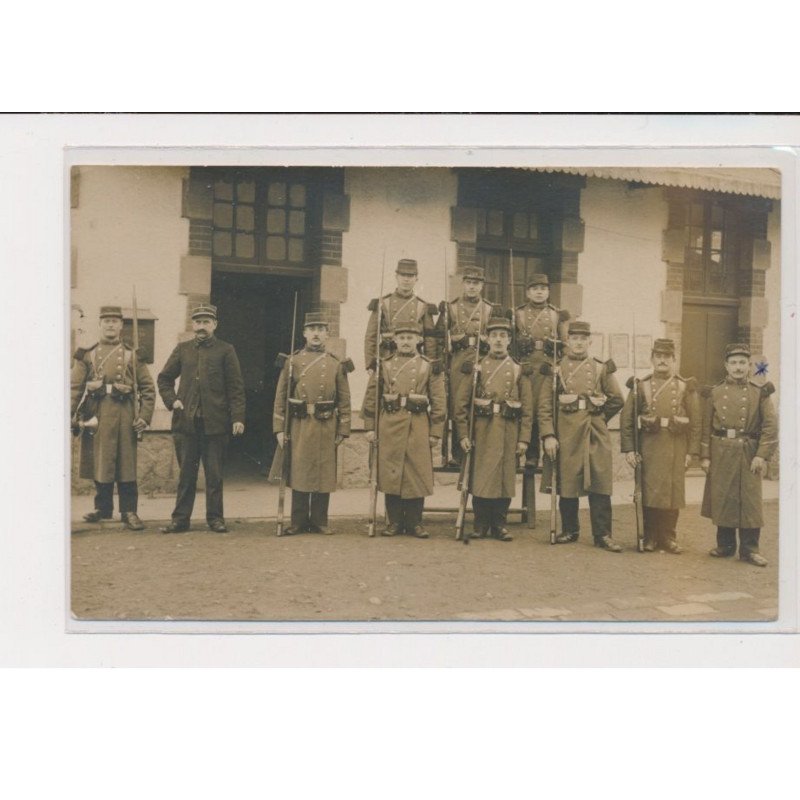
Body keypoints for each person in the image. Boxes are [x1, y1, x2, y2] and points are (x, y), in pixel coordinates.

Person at [157, 304, 245, 533]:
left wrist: (237, 417)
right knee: (186, 475)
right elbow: (164, 379)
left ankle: (215, 519)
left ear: (215, 325)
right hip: (186, 423)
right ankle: (180, 520)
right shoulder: (182, 349)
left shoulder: (226, 350)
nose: (202, 327)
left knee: (214, 475)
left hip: (215, 424)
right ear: (192, 325)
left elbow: (236, 387)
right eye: (198, 322)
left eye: (206, 322)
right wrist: (172, 400)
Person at [538, 320, 624, 551]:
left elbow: (617, 398)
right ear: (567, 341)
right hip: (566, 433)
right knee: (567, 481)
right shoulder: (556, 368)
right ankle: (570, 530)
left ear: (590, 341)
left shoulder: (600, 368)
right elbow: (545, 406)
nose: (578, 343)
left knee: (600, 480)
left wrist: (599, 418)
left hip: (594, 432)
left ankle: (603, 535)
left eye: (583, 339)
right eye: (574, 338)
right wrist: (548, 435)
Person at [71, 305, 155, 530]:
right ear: (100, 324)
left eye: (114, 321)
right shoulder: (87, 354)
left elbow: (148, 389)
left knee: (126, 464)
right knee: (101, 461)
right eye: (106, 320)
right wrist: (67, 415)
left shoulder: (132, 354)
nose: (110, 324)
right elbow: (74, 388)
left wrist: (144, 417)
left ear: (121, 326)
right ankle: (103, 508)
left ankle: (129, 511)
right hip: (96, 415)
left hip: (125, 416)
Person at [361, 322, 446, 538]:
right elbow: (371, 398)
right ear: (395, 341)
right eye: (402, 338)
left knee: (416, 472)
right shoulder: (384, 365)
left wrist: (436, 431)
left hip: (417, 424)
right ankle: (394, 522)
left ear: (419, 340)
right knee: (392, 472)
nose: (406, 342)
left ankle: (416, 522)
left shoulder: (429, 366)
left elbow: (439, 400)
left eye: (410, 337)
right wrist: (370, 427)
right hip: (389, 423)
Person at [272, 311, 353, 535]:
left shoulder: (336, 364)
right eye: (312, 329)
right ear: (304, 333)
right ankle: (297, 521)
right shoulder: (293, 361)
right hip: (300, 424)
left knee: (323, 471)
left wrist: (343, 428)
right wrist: (279, 428)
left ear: (327, 334)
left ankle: (320, 520)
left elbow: (345, 399)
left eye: (321, 330)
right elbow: (281, 397)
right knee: (300, 470)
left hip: (326, 424)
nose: (316, 334)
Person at [454, 316, 533, 541]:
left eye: (503, 336)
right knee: (480, 477)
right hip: (482, 429)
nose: (498, 340)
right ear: (486, 339)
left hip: (509, 429)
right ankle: (480, 524)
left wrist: (524, 439)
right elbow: (461, 405)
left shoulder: (518, 369)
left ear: (509, 340)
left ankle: (499, 523)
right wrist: (462, 435)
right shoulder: (476, 368)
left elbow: (528, 409)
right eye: (494, 336)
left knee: (505, 477)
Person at [619, 338, 701, 553]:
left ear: (674, 360)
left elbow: (696, 421)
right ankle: (650, 536)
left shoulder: (685, 386)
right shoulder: (640, 386)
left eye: (667, 357)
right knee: (648, 491)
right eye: (659, 356)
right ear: (652, 359)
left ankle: (669, 537)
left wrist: (692, 452)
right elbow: (627, 419)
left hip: (676, 445)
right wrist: (629, 449)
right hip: (649, 445)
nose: (662, 360)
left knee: (673, 493)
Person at [699, 343, 778, 566]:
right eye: (733, 363)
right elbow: (706, 425)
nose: (738, 367)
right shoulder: (715, 392)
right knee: (724, 498)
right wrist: (705, 456)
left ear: (749, 365)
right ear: (726, 365)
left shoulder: (760, 392)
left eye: (742, 363)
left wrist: (761, 455)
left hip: (748, 451)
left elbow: (770, 426)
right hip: (721, 449)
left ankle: (750, 549)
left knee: (750, 500)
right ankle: (725, 545)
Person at [435, 265, 495, 465]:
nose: (472, 287)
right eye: (468, 282)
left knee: (479, 403)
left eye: (476, 283)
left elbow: (497, 335)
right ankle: (456, 453)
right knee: (457, 404)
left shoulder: (489, 309)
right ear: (463, 284)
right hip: (458, 361)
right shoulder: (451, 307)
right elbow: (439, 339)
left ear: (482, 286)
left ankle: (480, 448)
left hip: (482, 360)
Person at [512, 274, 570, 468]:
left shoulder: (556, 314)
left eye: (543, 289)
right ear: (528, 292)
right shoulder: (518, 313)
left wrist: (557, 365)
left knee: (545, 409)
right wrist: (518, 363)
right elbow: (511, 344)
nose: (539, 292)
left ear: (548, 292)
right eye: (535, 288)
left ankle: (549, 453)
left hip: (547, 368)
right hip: (526, 368)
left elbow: (565, 344)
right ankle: (530, 453)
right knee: (526, 408)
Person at [364, 258, 439, 372]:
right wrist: (370, 364)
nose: (406, 279)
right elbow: (371, 336)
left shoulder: (423, 306)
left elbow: (430, 339)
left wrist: (430, 363)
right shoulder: (383, 303)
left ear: (416, 278)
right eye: (403, 275)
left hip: (415, 360)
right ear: (396, 277)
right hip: (386, 357)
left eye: (410, 276)